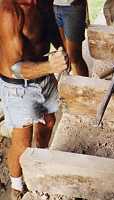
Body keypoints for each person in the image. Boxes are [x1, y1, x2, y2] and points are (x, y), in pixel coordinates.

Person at [0, 0, 68, 199]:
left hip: (44, 75)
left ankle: (40, 160)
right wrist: (51, 66)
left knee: (48, 122)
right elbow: (16, 68)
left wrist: (62, 47)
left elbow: (49, 25)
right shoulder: (9, 12)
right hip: (18, 86)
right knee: (22, 142)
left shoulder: (42, 2)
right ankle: (17, 184)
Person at [53, 0, 89, 76]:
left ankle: (83, 86)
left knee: (74, 56)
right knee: (65, 52)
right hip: (52, 6)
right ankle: (75, 82)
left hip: (72, 7)